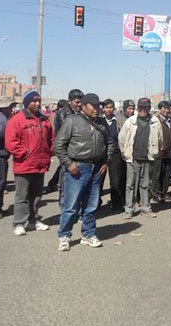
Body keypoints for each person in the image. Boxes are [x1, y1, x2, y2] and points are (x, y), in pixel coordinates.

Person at [54, 93, 114, 251]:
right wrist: (69, 164)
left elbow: (110, 143)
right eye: (93, 106)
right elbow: (58, 146)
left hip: (96, 169)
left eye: (98, 106)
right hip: (77, 169)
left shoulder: (101, 122)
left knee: (91, 205)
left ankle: (88, 234)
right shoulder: (72, 121)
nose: (96, 109)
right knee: (71, 205)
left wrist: (106, 161)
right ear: (84, 106)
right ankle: (64, 235)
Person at [5, 90, 54, 236]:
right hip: (24, 165)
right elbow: (11, 142)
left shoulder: (44, 120)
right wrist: (24, 154)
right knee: (22, 196)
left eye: (39, 101)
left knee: (37, 195)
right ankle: (19, 222)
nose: (37, 104)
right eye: (34, 101)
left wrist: (50, 151)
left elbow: (51, 138)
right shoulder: (17, 120)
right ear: (27, 103)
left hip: (40, 164)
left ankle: (33, 220)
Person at [119, 97, 163, 219]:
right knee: (130, 185)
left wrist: (155, 152)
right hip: (132, 158)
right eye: (141, 108)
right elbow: (122, 138)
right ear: (138, 108)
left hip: (148, 158)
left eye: (146, 108)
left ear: (149, 108)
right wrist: (125, 153)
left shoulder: (155, 121)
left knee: (145, 185)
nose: (143, 110)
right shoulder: (131, 121)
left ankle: (145, 208)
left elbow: (160, 139)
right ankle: (129, 209)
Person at [48, 88, 84, 193]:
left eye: (81, 102)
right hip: (67, 151)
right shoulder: (63, 114)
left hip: (77, 152)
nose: (79, 104)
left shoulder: (79, 113)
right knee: (64, 179)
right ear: (69, 101)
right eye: (77, 102)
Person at [98, 98, 125, 211]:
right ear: (103, 109)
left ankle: (117, 203)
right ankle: (95, 203)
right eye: (106, 107)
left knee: (115, 180)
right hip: (101, 154)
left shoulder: (118, 120)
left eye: (110, 107)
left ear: (113, 109)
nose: (108, 110)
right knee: (99, 179)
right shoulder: (99, 120)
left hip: (115, 153)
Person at [152, 100, 171, 203]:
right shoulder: (155, 120)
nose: (166, 110)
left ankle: (164, 193)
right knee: (157, 174)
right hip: (159, 153)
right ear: (159, 109)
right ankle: (156, 194)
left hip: (169, 152)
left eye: (167, 108)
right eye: (164, 108)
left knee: (166, 175)